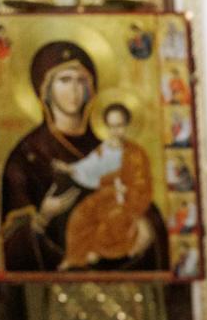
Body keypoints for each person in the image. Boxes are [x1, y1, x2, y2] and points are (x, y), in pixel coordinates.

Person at [0, 41, 167, 272]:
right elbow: (10, 236)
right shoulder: (27, 155)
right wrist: (43, 217)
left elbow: (143, 198)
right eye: (64, 80)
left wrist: (145, 223)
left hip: (118, 263)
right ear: (45, 88)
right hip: (52, 279)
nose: (74, 89)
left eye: (81, 81)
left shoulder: (109, 147)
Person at [55, 103, 155, 271]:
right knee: (79, 215)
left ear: (127, 125)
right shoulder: (104, 148)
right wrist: (69, 168)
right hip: (106, 194)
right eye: (112, 126)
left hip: (128, 200)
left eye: (120, 125)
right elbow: (89, 166)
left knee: (112, 219)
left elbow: (143, 182)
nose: (116, 131)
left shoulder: (136, 153)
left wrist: (127, 190)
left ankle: (97, 251)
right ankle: (74, 256)